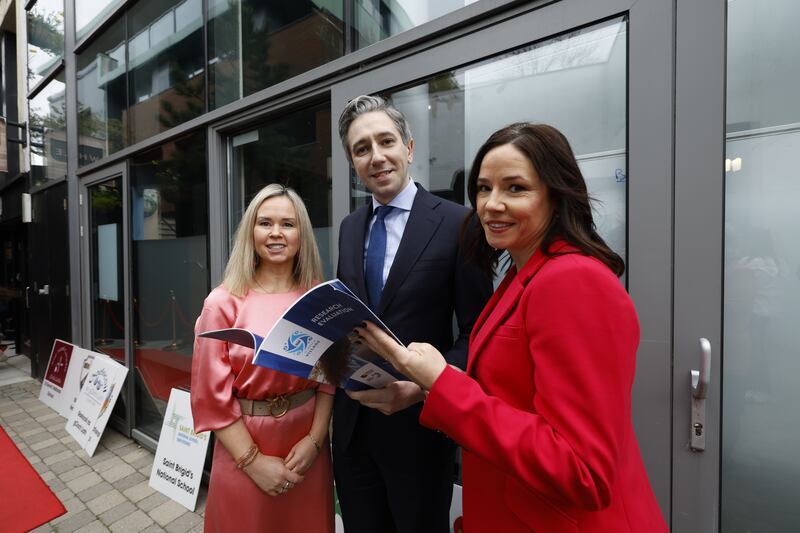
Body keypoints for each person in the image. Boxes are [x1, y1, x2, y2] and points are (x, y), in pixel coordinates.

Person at [355, 123, 669, 532]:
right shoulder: (521, 276)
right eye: (484, 189)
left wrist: (441, 381)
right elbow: (511, 394)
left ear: (556, 195)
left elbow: (580, 469)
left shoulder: (572, 280)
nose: (491, 204)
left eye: (515, 188)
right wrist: (427, 385)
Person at [334, 95, 493, 532]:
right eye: (361, 148)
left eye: (385, 141)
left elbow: (479, 331)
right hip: (351, 432)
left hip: (419, 432)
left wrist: (425, 388)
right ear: (352, 161)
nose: (376, 156)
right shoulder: (350, 229)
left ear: (408, 147)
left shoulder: (460, 224)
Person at [191, 184, 334, 533]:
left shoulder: (319, 296)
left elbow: (330, 379)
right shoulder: (222, 303)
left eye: (288, 223)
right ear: (250, 232)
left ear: (301, 233)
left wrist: (315, 442)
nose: (276, 233)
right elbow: (211, 398)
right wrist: (253, 463)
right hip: (243, 449)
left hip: (306, 447)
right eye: (264, 223)